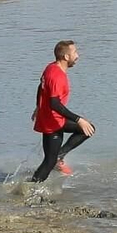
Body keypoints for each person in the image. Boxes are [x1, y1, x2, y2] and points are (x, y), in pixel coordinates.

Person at [30, 40, 94, 182]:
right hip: (52, 122)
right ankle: (31, 187)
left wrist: (38, 106)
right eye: (75, 53)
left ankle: (59, 156)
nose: (78, 56)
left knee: (88, 129)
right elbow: (55, 104)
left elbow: (41, 87)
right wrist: (79, 119)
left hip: (53, 117)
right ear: (66, 57)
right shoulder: (57, 76)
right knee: (49, 161)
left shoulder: (50, 67)